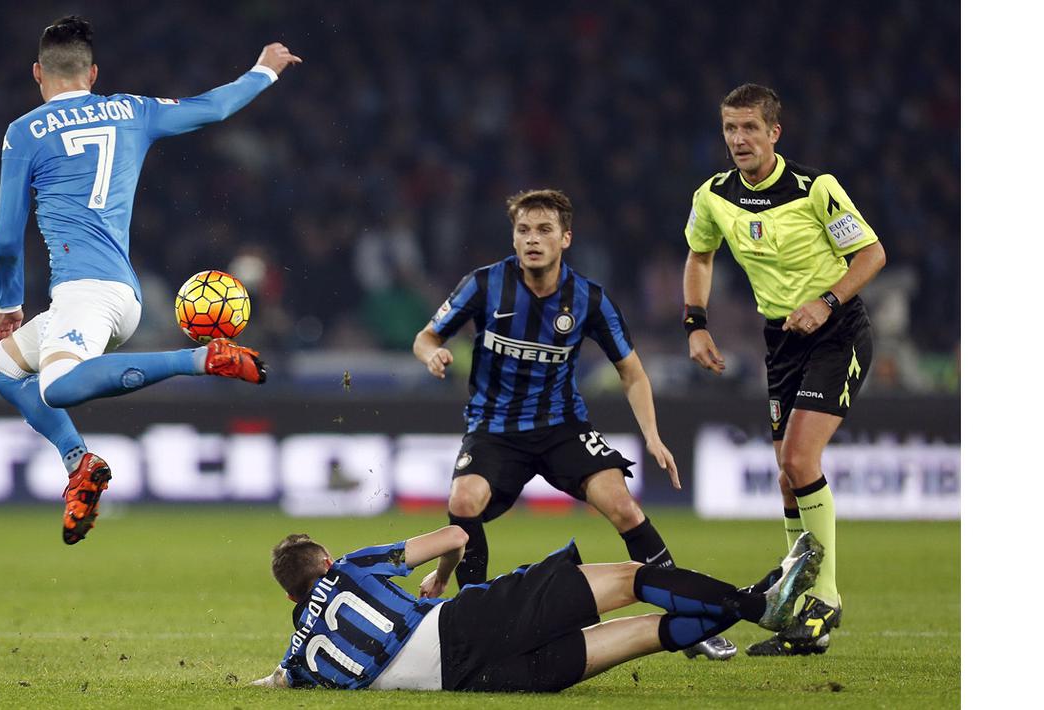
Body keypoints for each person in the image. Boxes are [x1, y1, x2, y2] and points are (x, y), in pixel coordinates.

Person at [0, 16, 301, 544]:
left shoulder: (24, 132)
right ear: (93, 74)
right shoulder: (130, 110)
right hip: (110, 291)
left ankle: (199, 359)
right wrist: (263, 70)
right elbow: (212, 108)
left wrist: (7, 302)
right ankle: (79, 463)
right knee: (3, 366)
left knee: (56, 387)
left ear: (38, 72)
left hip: (88, 293)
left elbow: (7, 235)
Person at [411, 189, 734, 660]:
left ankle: (692, 619)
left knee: (624, 508)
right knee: (463, 500)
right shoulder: (484, 285)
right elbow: (425, 336)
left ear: (565, 238)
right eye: (523, 230)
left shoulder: (589, 299)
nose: (532, 239)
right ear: (513, 238)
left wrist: (652, 435)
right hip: (494, 429)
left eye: (544, 230)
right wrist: (432, 354)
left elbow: (631, 372)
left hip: (562, 426)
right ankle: (474, 622)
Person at [681, 83, 887, 655]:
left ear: (774, 132)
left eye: (750, 127)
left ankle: (824, 598)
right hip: (782, 340)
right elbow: (700, 255)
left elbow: (871, 254)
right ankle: (796, 597)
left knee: (799, 461)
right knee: (785, 475)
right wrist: (695, 323)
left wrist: (827, 301)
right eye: (730, 128)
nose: (739, 138)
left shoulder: (815, 188)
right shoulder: (713, 196)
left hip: (836, 332)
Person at [251, 526, 822, 691]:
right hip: (464, 624)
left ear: (291, 598)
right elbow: (456, 536)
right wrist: (441, 577)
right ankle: (759, 605)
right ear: (325, 563)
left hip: (475, 682)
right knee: (630, 580)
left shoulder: (299, 660)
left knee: (646, 632)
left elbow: (271, 681)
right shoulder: (349, 567)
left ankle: (759, 598)